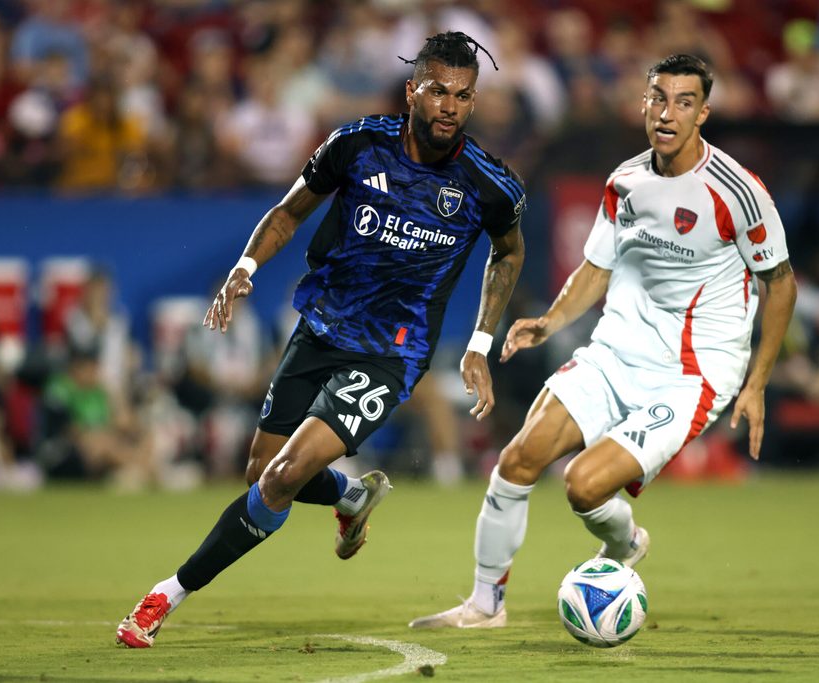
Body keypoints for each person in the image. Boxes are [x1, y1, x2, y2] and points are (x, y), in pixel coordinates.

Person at [116, 32, 526, 648]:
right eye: (438, 91)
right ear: (412, 90)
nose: (450, 106)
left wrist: (479, 342)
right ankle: (351, 494)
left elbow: (509, 251)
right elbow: (288, 211)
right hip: (322, 327)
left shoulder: (486, 184)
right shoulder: (357, 145)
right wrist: (245, 269)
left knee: (279, 478)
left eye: (464, 96)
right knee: (259, 471)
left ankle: (165, 594)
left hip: (392, 352)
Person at [410, 54, 796, 629]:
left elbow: (780, 285)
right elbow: (596, 268)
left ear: (703, 114)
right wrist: (550, 321)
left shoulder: (738, 192)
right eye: (658, 98)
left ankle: (622, 547)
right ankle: (485, 604)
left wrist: (757, 382)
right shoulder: (625, 182)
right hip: (615, 353)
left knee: (583, 485)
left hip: (692, 373)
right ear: (643, 104)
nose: (668, 113)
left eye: (684, 102)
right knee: (517, 460)